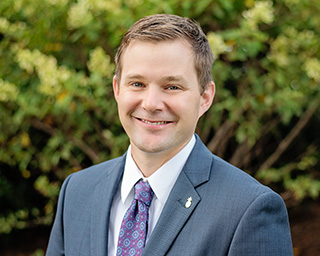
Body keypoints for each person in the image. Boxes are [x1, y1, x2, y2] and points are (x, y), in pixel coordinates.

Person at [46, 14, 293, 256]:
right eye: (137, 84)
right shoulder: (76, 192)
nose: (151, 103)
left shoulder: (249, 209)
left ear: (205, 97)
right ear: (116, 89)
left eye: (172, 87)